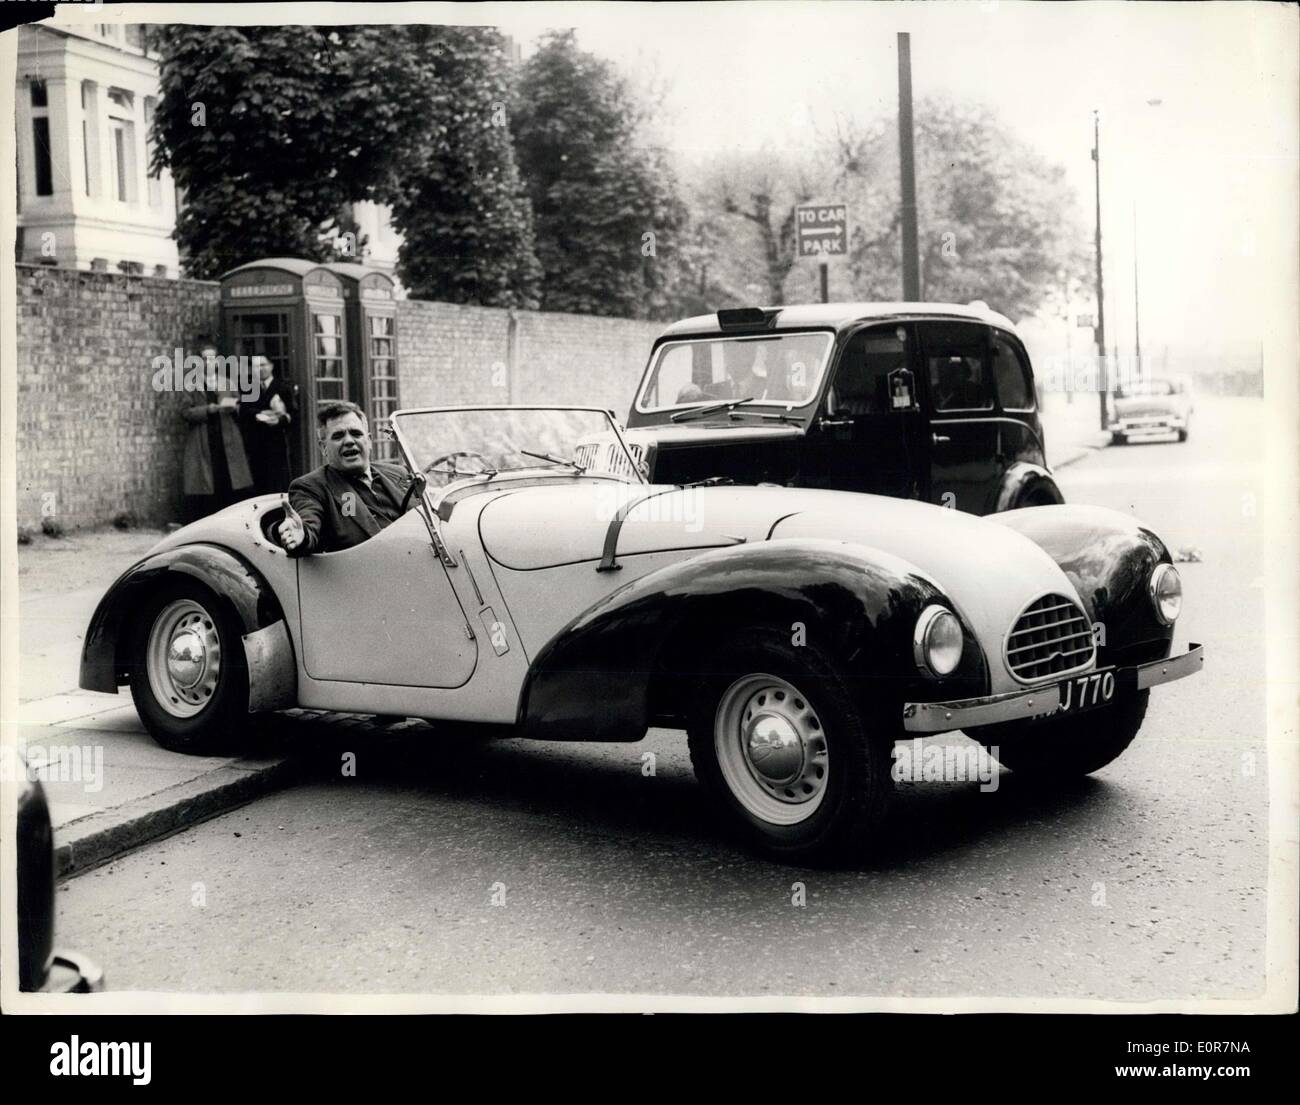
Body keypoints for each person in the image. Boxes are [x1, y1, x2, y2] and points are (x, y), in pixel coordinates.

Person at [278, 401, 415, 556]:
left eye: (356, 433)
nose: (349, 441)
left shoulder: (399, 473)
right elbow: (309, 526)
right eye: (338, 436)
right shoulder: (310, 487)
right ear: (324, 448)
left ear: (369, 441)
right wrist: (302, 535)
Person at [181, 339, 254, 523]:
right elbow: (185, 412)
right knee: (207, 484)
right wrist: (208, 409)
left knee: (228, 480)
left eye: (212, 359)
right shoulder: (191, 384)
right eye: (205, 359)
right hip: (204, 441)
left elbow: (240, 406)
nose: (209, 363)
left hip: (227, 439)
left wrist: (234, 407)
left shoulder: (227, 382)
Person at [238, 355, 296, 494]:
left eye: (264, 365)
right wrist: (260, 414)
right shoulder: (249, 387)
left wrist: (280, 420)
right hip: (256, 441)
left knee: (278, 481)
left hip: (277, 440)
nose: (261, 369)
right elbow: (244, 411)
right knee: (259, 482)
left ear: (271, 366)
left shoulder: (282, 387)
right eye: (257, 366)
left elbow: (294, 413)